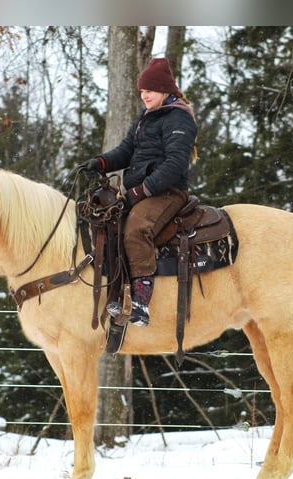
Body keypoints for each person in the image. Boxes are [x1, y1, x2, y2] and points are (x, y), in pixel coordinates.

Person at [81, 57, 198, 327]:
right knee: (108, 225)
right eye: (142, 91)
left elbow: (175, 164)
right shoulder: (145, 117)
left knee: (135, 229)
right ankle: (118, 291)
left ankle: (141, 301)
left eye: (150, 91)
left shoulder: (179, 118)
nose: (145, 96)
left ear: (165, 90)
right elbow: (125, 151)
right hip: (142, 190)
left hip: (168, 191)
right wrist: (100, 162)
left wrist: (142, 191)